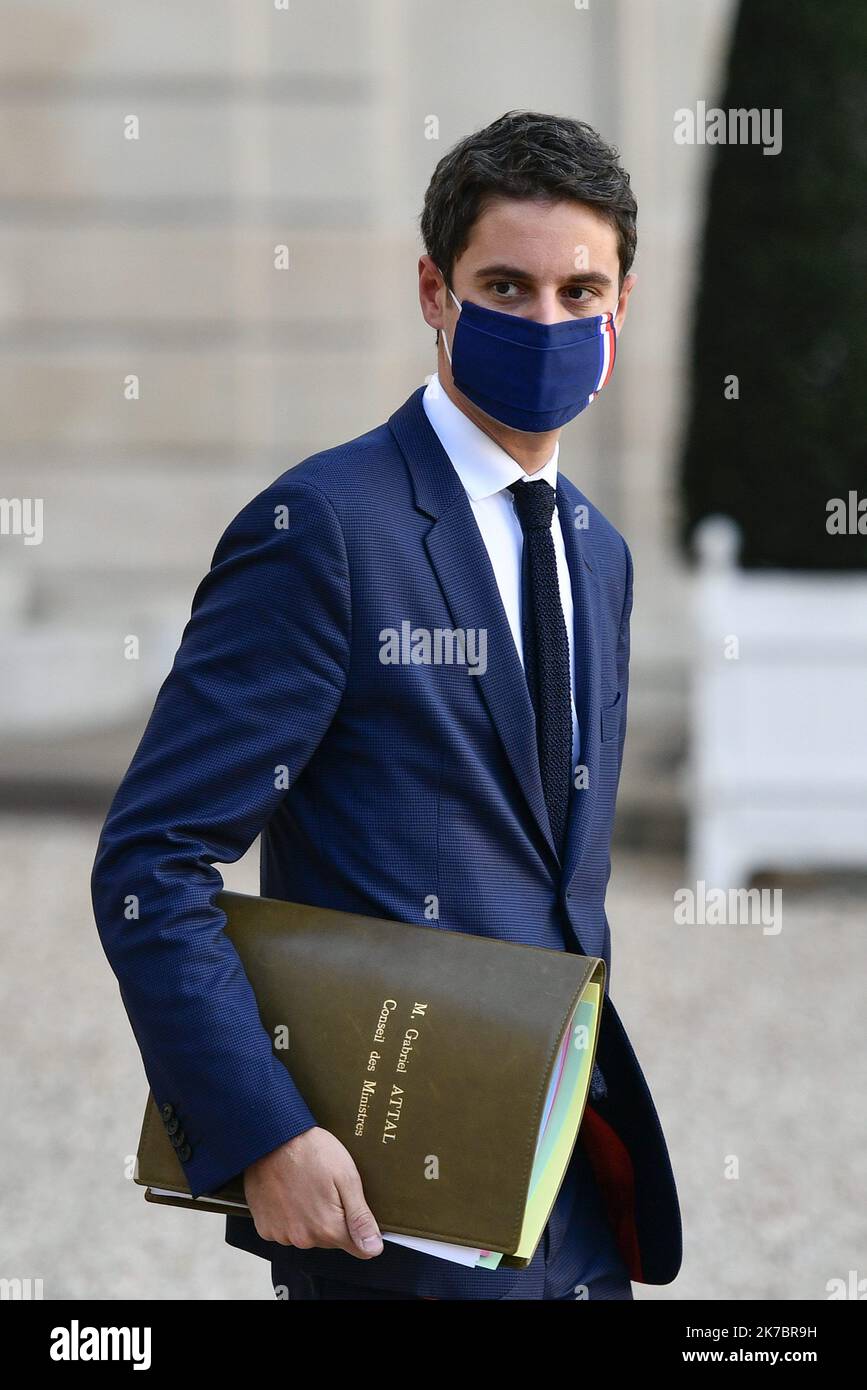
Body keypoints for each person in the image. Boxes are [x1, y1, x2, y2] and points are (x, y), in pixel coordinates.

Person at [91, 110, 682, 1300]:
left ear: (622, 307)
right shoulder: (325, 531)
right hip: (384, 1220)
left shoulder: (598, 552)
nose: (548, 321)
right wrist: (265, 1134)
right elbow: (153, 862)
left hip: (572, 1202)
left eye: (582, 291)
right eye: (506, 285)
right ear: (434, 290)